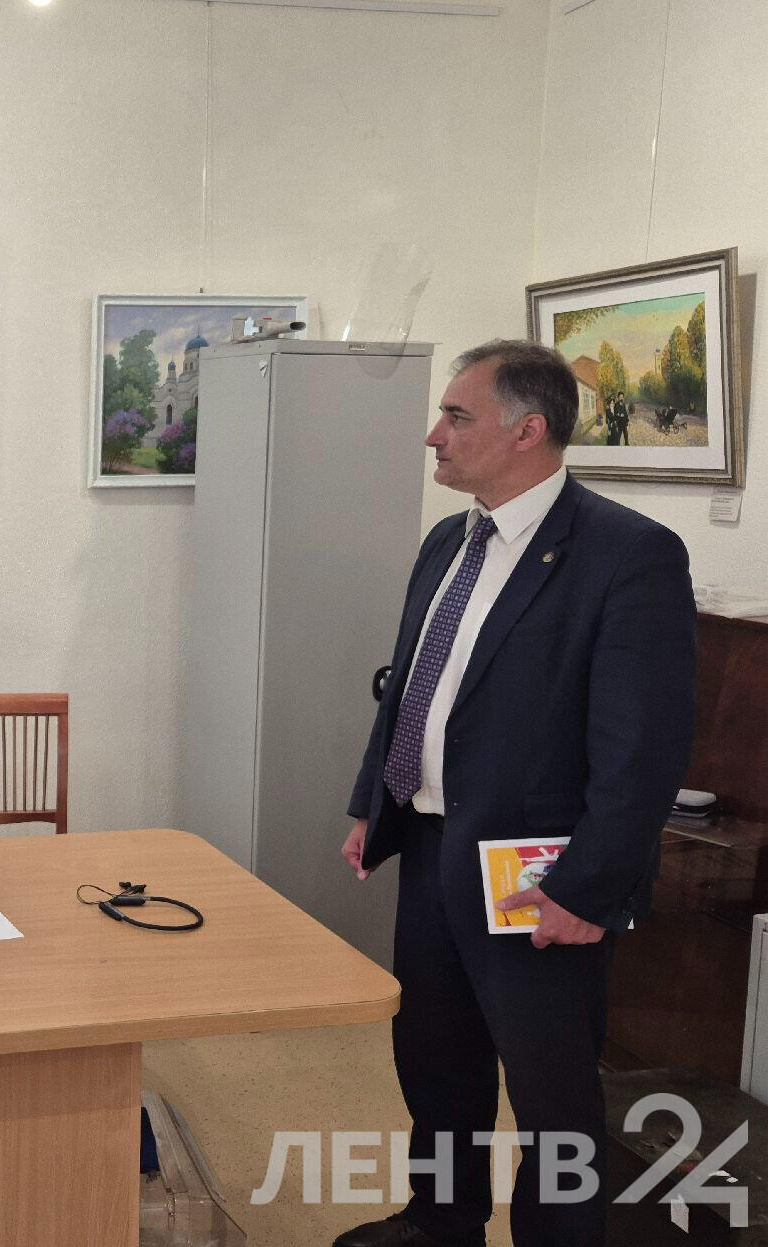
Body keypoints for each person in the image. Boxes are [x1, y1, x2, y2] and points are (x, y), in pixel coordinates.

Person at [335, 341, 695, 1247]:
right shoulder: (447, 542)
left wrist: (588, 888)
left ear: (528, 431)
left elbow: (642, 753)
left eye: (456, 417)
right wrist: (376, 800)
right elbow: (412, 685)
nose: (434, 435)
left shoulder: (628, 555)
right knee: (434, 1060)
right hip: (432, 850)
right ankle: (441, 1220)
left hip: (539, 881)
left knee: (551, 1096)